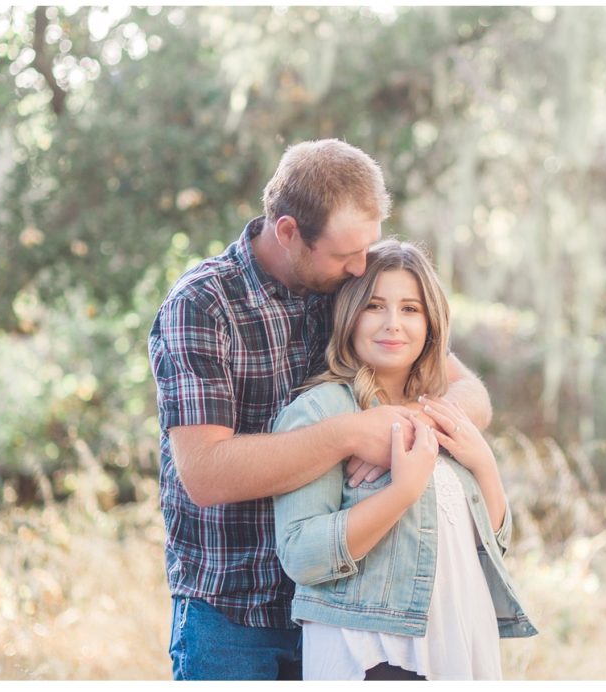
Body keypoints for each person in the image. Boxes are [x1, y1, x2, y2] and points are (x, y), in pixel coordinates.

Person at [148, 139, 493, 680]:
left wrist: (409, 427)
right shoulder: (202, 306)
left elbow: (468, 392)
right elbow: (206, 474)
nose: (362, 266)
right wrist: (352, 434)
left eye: (367, 247)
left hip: (347, 608)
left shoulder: (346, 282)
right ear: (288, 232)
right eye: (344, 254)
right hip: (236, 617)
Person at [272, 239, 537, 681]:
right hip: (374, 649)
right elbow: (302, 554)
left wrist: (485, 465)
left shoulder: (441, 411)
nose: (393, 324)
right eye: (375, 306)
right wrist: (402, 493)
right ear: (350, 317)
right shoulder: (322, 411)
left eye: (411, 309)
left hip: (460, 636)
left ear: (432, 324)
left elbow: (493, 542)